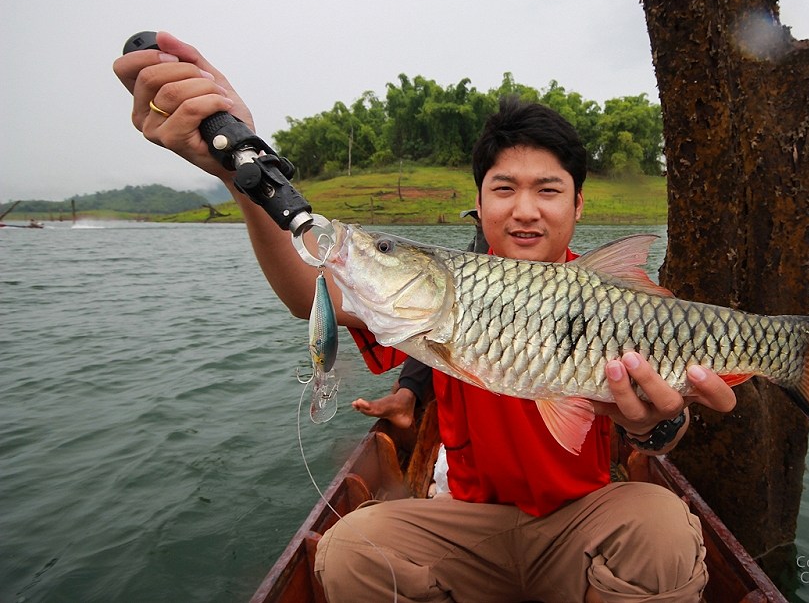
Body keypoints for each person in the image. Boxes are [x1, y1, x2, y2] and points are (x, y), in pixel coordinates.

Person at [114, 32, 737, 602]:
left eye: (548, 190)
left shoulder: (616, 296)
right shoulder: (432, 296)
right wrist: (241, 174)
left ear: (577, 205)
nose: (525, 211)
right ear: (478, 202)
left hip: (580, 518)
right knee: (349, 551)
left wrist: (657, 427)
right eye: (503, 188)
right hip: (466, 527)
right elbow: (315, 298)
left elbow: (663, 428)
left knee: (664, 529)